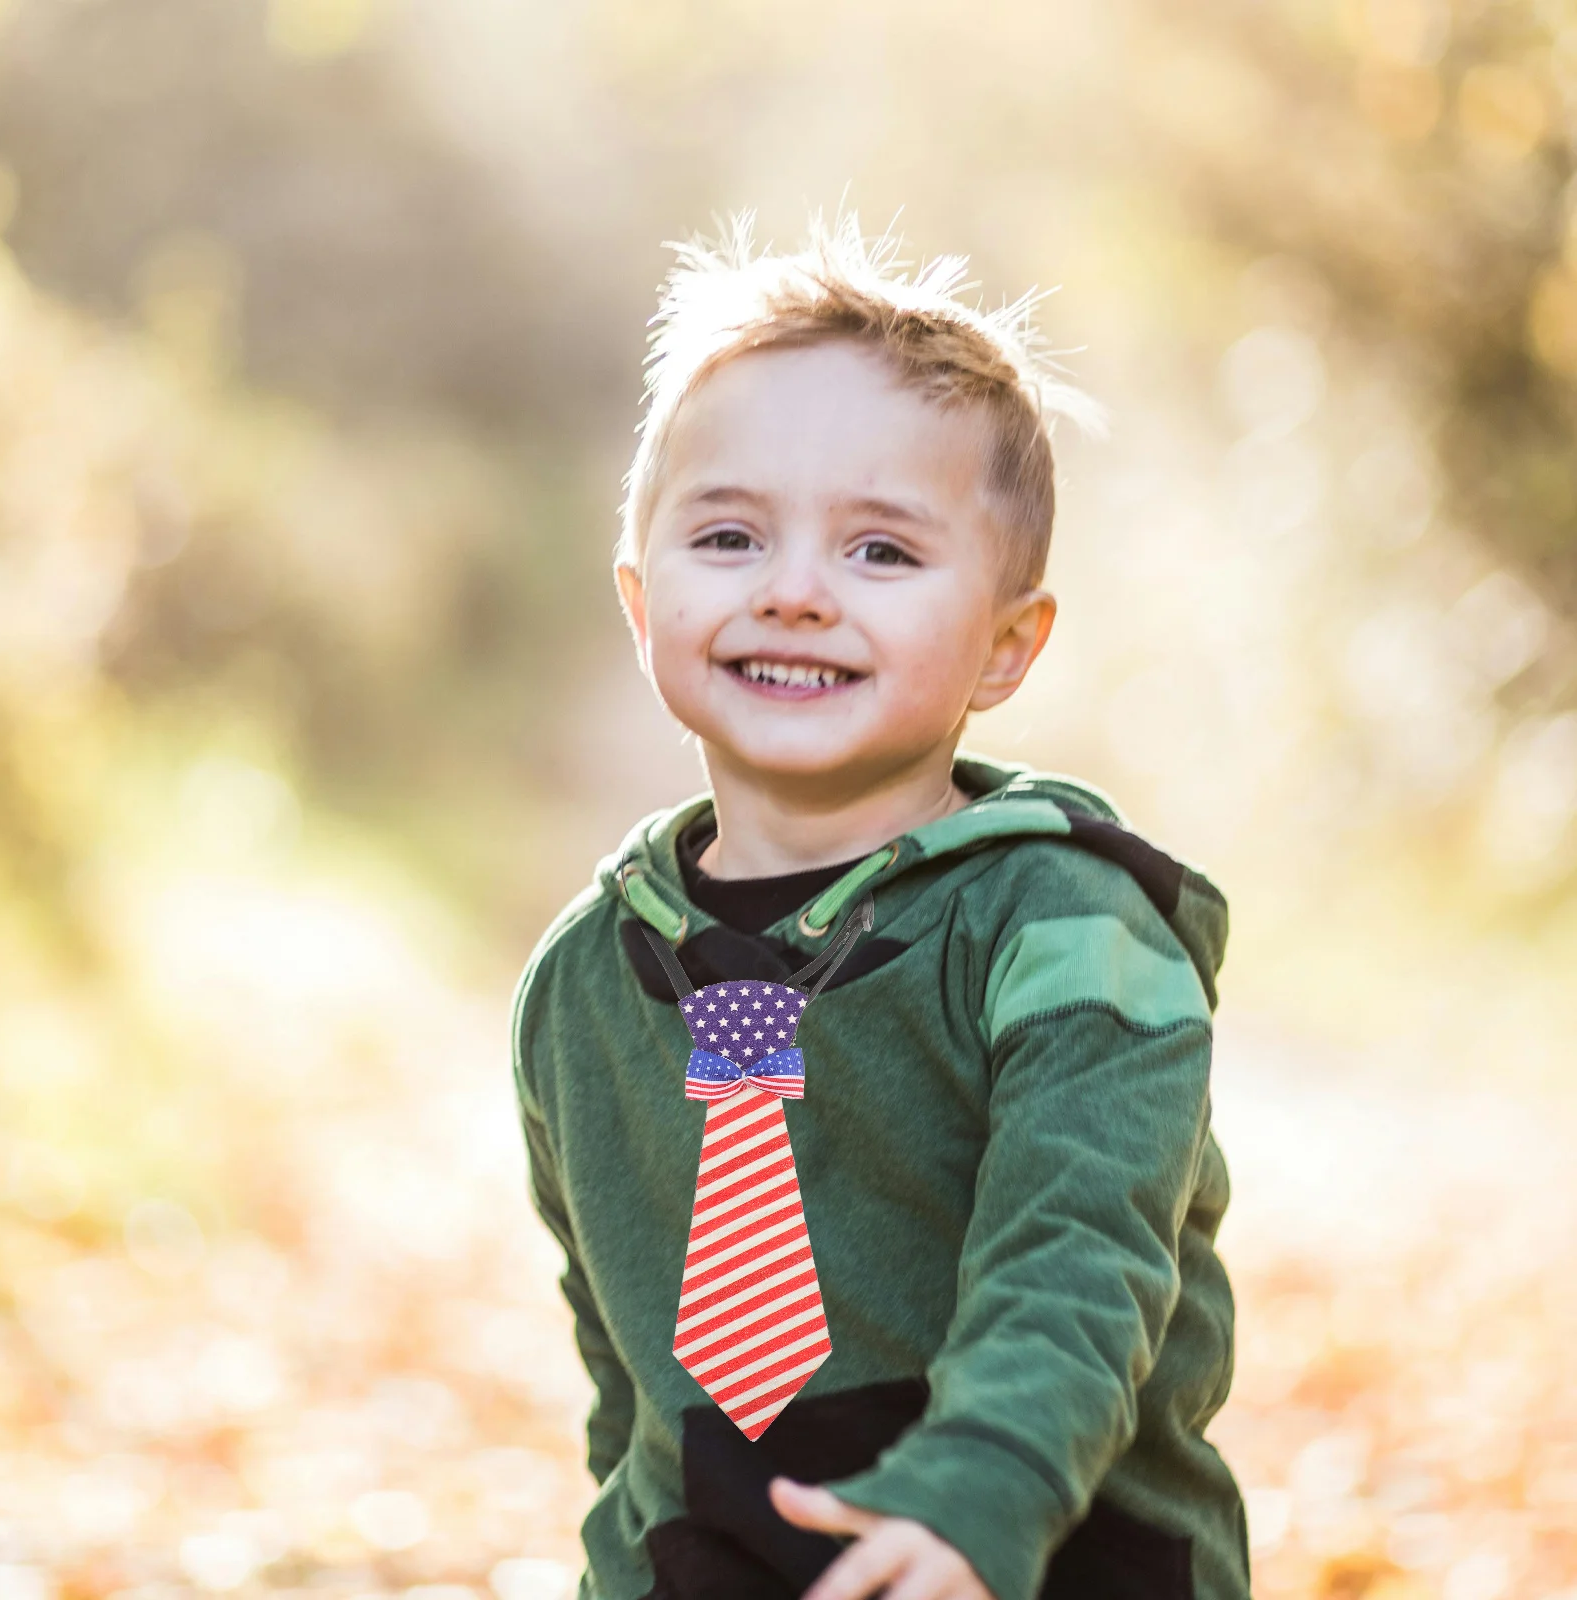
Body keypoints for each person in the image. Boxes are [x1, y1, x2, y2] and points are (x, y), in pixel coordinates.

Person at [509, 210, 1250, 1600]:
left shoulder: (1072, 928)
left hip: (1058, 1554)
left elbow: (1082, 1247)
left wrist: (979, 1498)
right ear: (639, 596)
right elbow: (624, 1371)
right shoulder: (581, 985)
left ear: (1007, 645)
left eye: (882, 555)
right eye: (729, 536)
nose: (793, 593)